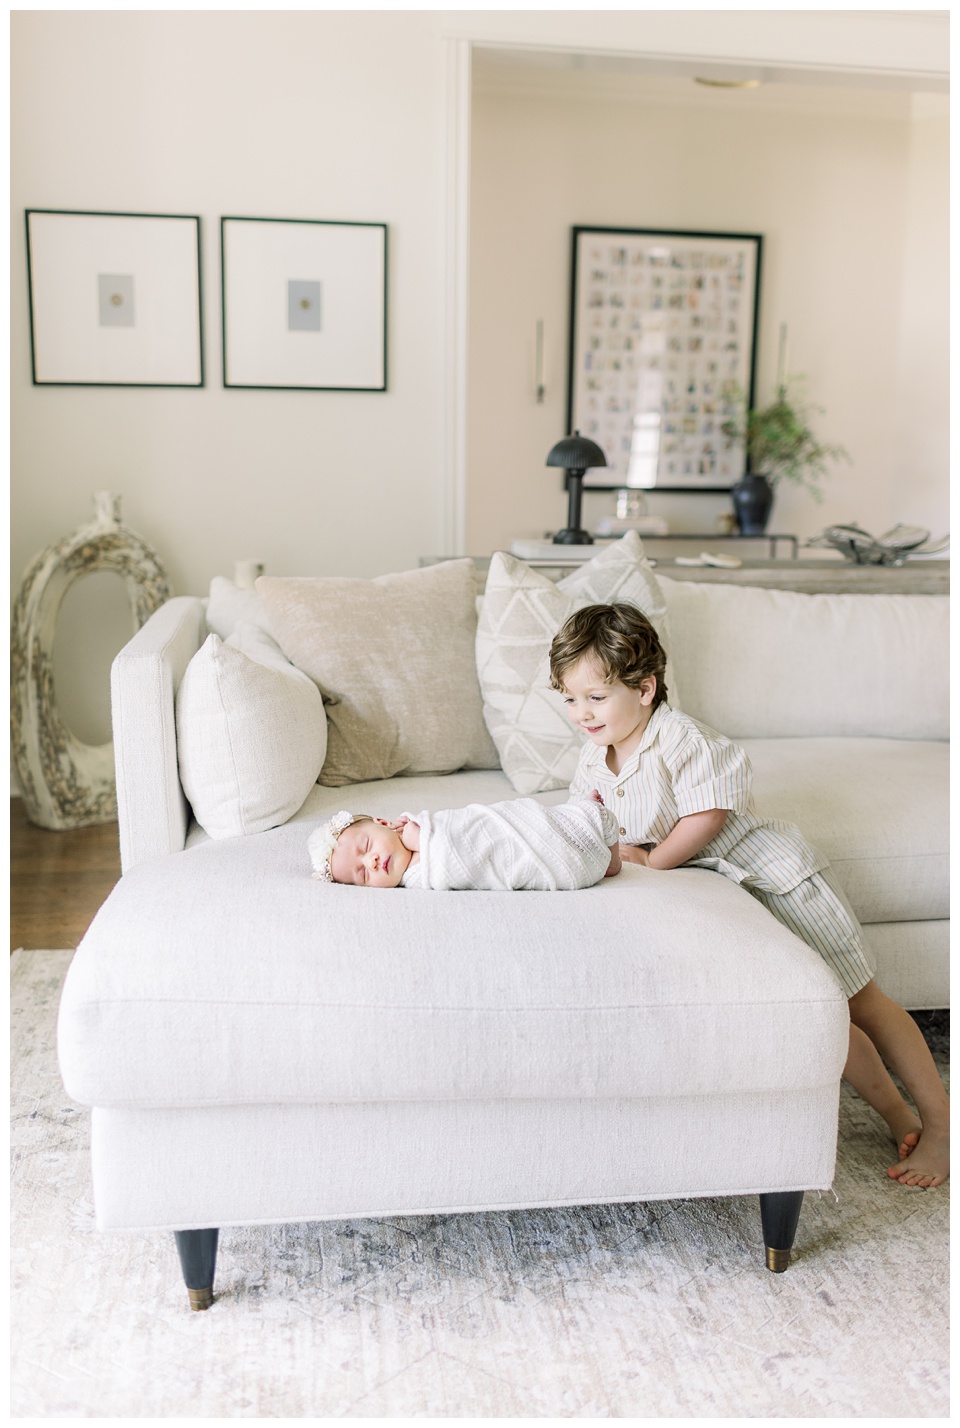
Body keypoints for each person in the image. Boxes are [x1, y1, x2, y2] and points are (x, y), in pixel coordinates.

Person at [548, 601, 949, 1189]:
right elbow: (595, 820)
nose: (582, 713)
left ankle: (943, 1124)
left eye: (596, 697)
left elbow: (707, 815)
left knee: (863, 1002)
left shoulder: (682, 739)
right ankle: (896, 1114)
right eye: (570, 699)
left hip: (775, 880)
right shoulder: (595, 757)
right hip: (726, 897)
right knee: (822, 1014)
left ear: (645, 687)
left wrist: (653, 862)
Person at [309, 794, 622, 891]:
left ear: (384, 823)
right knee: (599, 822)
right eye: (363, 875)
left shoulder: (419, 824)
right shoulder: (417, 876)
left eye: (366, 848)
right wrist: (427, 842)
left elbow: (474, 825)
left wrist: (423, 832)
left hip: (523, 825)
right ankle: (610, 860)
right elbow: (463, 864)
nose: (372, 862)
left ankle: (590, 828)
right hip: (555, 863)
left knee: (590, 817)